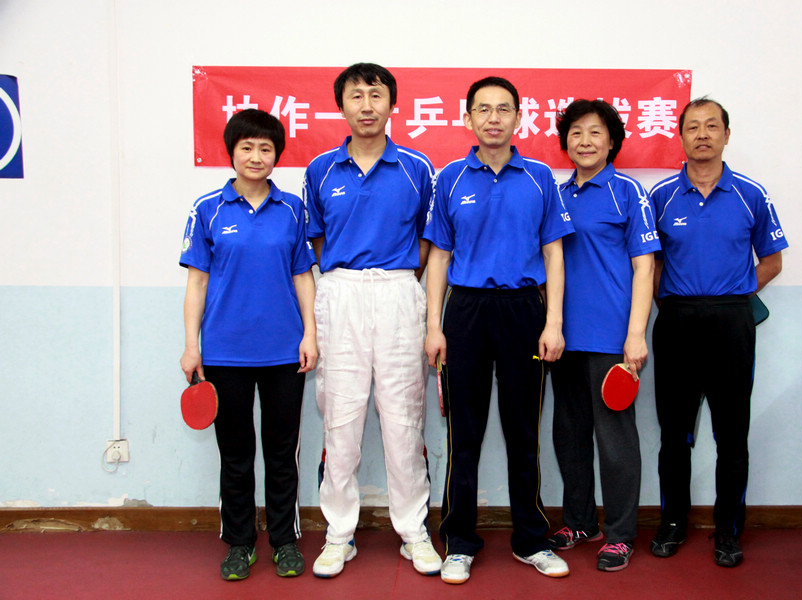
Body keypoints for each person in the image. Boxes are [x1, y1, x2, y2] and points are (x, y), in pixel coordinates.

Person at [424, 76, 575, 585]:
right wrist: (433, 327)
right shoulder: (449, 178)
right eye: (483, 109)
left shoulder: (539, 177)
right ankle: (459, 542)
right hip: (465, 312)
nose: (493, 118)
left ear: (518, 118)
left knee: (523, 433)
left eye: (503, 109)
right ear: (467, 118)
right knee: (463, 435)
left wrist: (553, 322)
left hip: (524, 312)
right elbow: (438, 257)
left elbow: (554, 253)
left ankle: (531, 539)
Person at [303, 62, 441, 579]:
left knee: (404, 416)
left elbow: (429, 240)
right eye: (356, 96)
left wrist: (396, 277)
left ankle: (414, 531)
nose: (367, 105)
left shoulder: (417, 167)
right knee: (340, 418)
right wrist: (348, 277)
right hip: (340, 291)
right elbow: (318, 240)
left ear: (391, 104)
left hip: (399, 291)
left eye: (376, 95)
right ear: (341, 105)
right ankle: (339, 534)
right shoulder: (320, 169)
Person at [648, 97, 788, 567]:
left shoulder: (750, 194)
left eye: (712, 126)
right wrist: (672, 304)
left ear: (727, 135)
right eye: (693, 127)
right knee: (675, 434)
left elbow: (772, 260)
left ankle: (728, 531)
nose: (702, 134)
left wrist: (735, 294)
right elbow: (651, 265)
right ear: (681, 137)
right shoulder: (661, 196)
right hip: (677, 321)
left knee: (731, 435)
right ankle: (673, 524)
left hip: (732, 322)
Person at [179, 108, 317, 581]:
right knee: (235, 455)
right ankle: (239, 543)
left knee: (282, 454)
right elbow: (197, 282)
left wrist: (310, 334)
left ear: (277, 155)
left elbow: (303, 276)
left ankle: (284, 541)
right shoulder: (207, 209)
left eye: (266, 148)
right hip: (225, 353)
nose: (256, 156)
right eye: (247, 147)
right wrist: (192, 346)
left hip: (284, 353)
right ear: (231, 152)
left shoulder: (292, 209)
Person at [547, 99, 659, 572]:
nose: (585, 141)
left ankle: (619, 533)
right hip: (562, 339)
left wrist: (636, 334)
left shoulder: (628, 192)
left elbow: (645, 267)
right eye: (576, 133)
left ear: (612, 141)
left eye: (595, 132)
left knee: (615, 443)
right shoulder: (555, 194)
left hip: (612, 339)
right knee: (569, 436)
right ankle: (579, 522)